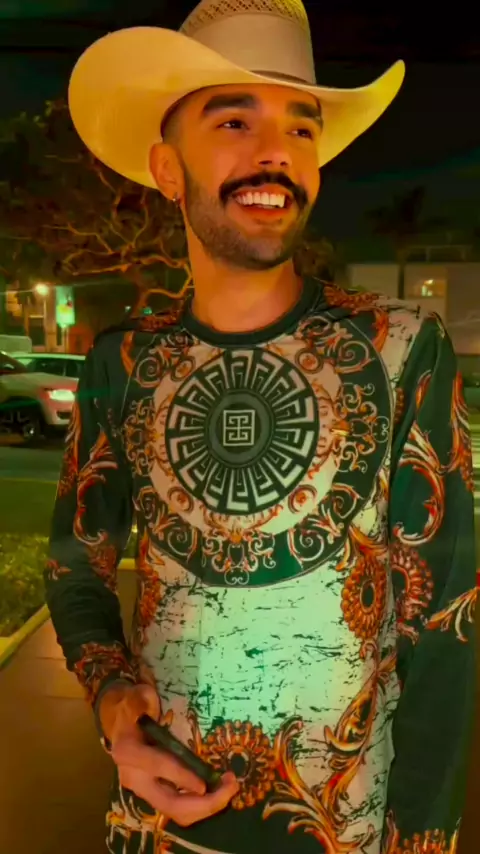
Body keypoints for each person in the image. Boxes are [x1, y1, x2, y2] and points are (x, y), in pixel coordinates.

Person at [46, 1, 477, 852]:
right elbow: (75, 564)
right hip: (154, 827)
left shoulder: (400, 349)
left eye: (300, 127)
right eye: (235, 121)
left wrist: (423, 843)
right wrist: (111, 701)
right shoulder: (122, 362)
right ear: (168, 169)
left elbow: (446, 625)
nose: (276, 151)